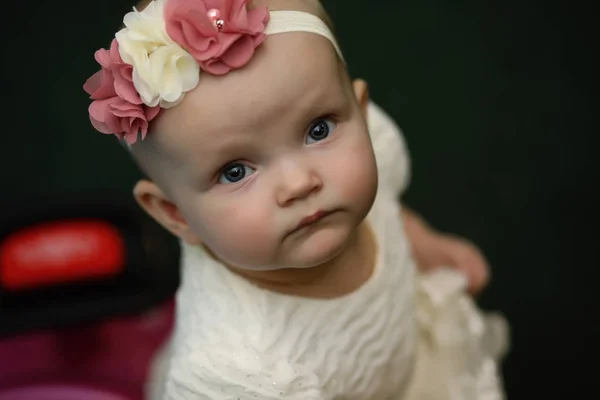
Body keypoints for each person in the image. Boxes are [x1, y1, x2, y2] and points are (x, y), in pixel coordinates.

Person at [83, 0, 509, 398]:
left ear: (360, 112)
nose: (300, 183)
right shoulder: (236, 367)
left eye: (318, 130)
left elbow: (388, 213)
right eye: (235, 171)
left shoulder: (361, 158)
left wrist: (426, 246)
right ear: (176, 215)